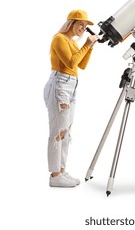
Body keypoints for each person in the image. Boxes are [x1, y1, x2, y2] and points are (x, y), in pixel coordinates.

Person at [43, 10, 99, 187]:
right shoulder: (59, 38)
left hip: (71, 86)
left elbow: (81, 65)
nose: (84, 28)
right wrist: (86, 45)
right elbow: (70, 63)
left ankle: (61, 170)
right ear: (71, 23)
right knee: (58, 131)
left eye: (85, 25)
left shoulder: (73, 43)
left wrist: (89, 48)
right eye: (80, 24)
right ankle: (54, 175)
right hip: (60, 85)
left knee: (65, 132)